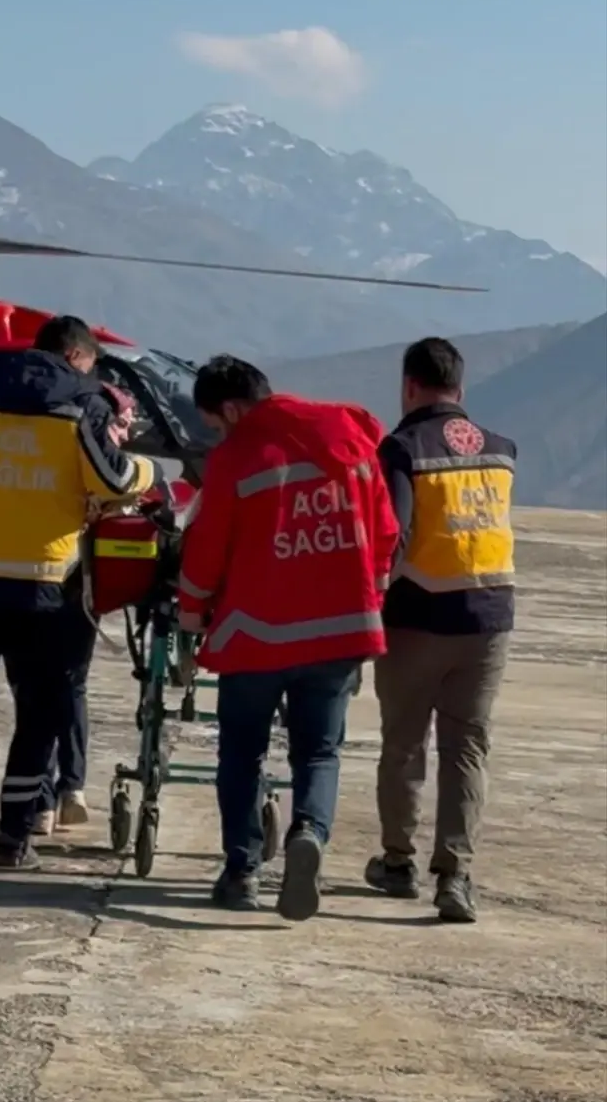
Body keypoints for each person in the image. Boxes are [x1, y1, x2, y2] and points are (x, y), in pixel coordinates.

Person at [0, 315, 164, 868]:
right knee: (41, 707)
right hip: (47, 581)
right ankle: (14, 837)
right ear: (79, 358)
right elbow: (110, 482)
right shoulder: (82, 400)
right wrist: (148, 471)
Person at [176, 356, 399, 921]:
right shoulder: (351, 441)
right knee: (319, 752)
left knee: (242, 753)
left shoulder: (237, 458)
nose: (216, 435)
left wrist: (192, 613)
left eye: (214, 424)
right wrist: (367, 599)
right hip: (340, 631)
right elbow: (386, 534)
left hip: (255, 634)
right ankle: (310, 835)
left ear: (231, 409)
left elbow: (206, 549)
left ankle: (242, 869)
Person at [364, 337, 516, 924]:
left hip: (419, 617)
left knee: (404, 744)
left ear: (409, 386)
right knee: (466, 748)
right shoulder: (502, 451)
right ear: (460, 387)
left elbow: (392, 536)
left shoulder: (402, 448)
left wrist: (368, 599)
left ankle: (398, 863)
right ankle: (456, 876)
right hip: (491, 618)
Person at [32, 381, 139, 836]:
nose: (126, 434)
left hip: (34, 575)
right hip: (78, 582)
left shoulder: (46, 445)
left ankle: (41, 802)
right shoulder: (105, 461)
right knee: (71, 685)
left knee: (36, 690)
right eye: (122, 424)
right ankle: (70, 786)